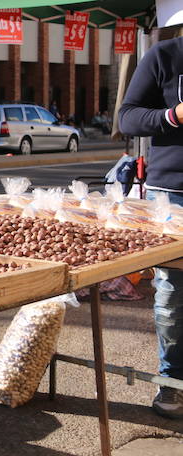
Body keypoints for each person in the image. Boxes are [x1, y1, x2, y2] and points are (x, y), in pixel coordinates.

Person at [118, 27, 183, 419]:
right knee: (174, 294)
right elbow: (127, 118)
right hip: (174, 195)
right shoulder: (164, 56)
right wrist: (173, 115)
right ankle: (172, 384)